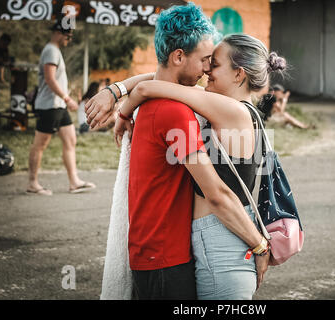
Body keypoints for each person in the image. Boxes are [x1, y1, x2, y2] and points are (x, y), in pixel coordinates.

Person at [85, 3, 271, 300]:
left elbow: (151, 85)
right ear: (179, 56)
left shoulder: (158, 105)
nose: (208, 68)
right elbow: (216, 193)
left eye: (214, 62)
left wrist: (119, 95)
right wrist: (259, 244)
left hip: (156, 255)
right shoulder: (176, 115)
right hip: (167, 260)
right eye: (205, 60)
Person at [26, 21, 96, 196]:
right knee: (40, 144)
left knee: (70, 139)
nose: (69, 39)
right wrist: (66, 97)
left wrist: (64, 100)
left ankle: (74, 182)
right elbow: (50, 79)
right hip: (50, 105)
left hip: (58, 105)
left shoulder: (54, 51)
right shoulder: (50, 50)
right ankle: (32, 183)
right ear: (58, 33)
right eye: (67, 36)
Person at [0, 33, 11, 102]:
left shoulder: (5, 49)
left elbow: (5, 62)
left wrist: (1, 77)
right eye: (4, 44)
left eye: (7, 45)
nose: (5, 46)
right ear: (0, 41)